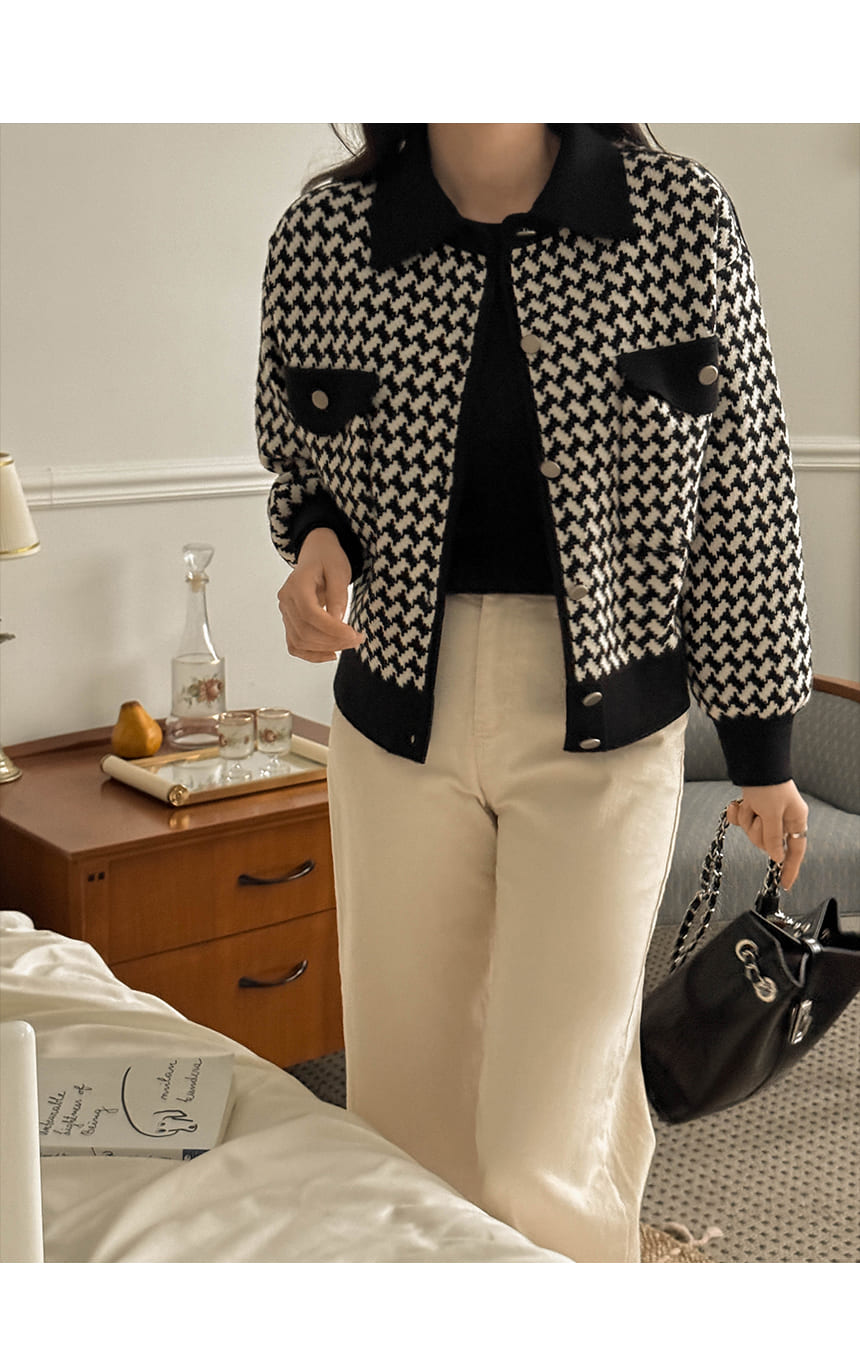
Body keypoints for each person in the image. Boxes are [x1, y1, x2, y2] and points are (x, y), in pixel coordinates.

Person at [256, 124, 812, 1262]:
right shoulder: (328, 234)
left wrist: (763, 751)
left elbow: (744, 490)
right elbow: (302, 463)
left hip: (606, 724)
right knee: (406, 1123)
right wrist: (315, 541)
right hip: (396, 714)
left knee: (540, 1145)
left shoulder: (676, 219)